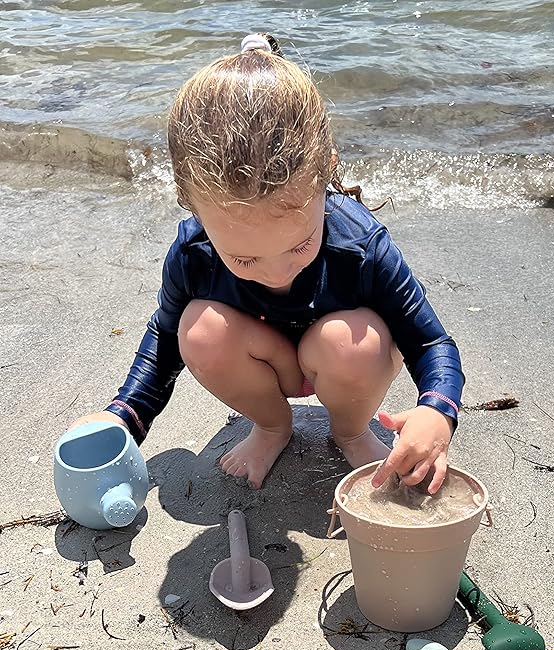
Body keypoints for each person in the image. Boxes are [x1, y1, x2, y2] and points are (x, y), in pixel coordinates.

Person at [73, 33, 464, 494]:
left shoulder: (361, 245)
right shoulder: (193, 253)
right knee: (196, 329)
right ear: (190, 203)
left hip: (346, 365)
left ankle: (351, 432)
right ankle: (272, 427)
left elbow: (431, 343)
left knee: (351, 342)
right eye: (243, 257)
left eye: (300, 245)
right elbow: (164, 339)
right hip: (261, 364)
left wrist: (437, 411)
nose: (278, 272)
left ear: (327, 173)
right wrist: (124, 416)